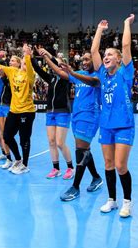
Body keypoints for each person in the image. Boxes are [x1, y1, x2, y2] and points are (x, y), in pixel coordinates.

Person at [38, 49, 103, 201]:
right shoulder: (78, 74)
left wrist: (72, 72)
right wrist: (47, 56)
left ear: (94, 60)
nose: (85, 62)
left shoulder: (98, 75)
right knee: (84, 150)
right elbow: (59, 69)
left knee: (80, 151)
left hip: (90, 117)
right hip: (77, 116)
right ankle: (96, 178)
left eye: (88, 59)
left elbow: (92, 82)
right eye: (83, 60)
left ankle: (75, 187)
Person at [91, 15, 135, 218]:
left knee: (120, 165)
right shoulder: (102, 75)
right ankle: (112, 200)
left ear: (118, 59)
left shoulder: (125, 73)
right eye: (105, 54)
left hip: (124, 125)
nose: (106, 56)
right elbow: (94, 51)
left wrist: (126, 24)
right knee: (108, 165)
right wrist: (100, 29)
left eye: (111, 54)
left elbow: (126, 46)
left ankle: (127, 202)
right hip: (106, 126)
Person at [0, 38, 35, 175]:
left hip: (27, 111)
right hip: (13, 110)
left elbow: (29, 68)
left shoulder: (30, 75)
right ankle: (17, 159)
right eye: (21, 62)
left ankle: (25, 164)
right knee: (6, 135)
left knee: (24, 139)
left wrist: (27, 56)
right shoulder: (12, 72)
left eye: (23, 62)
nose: (22, 64)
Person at [31, 49, 74, 180]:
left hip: (63, 112)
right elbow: (38, 70)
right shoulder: (51, 79)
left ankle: (70, 167)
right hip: (50, 112)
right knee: (51, 141)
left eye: (60, 63)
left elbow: (54, 63)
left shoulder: (66, 77)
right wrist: (30, 56)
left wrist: (47, 57)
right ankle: (56, 168)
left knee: (60, 142)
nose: (57, 64)